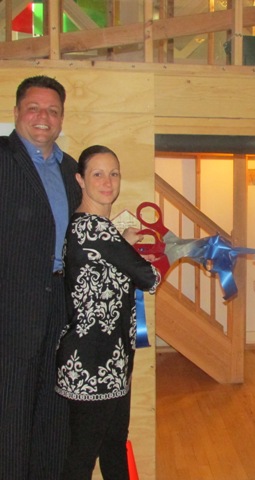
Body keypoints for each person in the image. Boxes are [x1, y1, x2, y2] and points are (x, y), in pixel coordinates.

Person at [55, 145, 164, 480]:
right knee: (82, 459)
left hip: (110, 361)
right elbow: (150, 277)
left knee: (114, 446)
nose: (107, 181)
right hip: (91, 363)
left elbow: (107, 264)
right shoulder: (94, 228)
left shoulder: (97, 229)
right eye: (97, 174)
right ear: (80, 180)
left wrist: (123, 243)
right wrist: (166, 252)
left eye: (113, 173)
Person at [0, 75, 82, 479]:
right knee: (10, 414)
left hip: (60, 307)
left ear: (62, 118)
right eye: (34, 107)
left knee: (54, 411)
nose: (43, 117)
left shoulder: (72, 170)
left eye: (52, 110)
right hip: (10, 308)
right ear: (17, 112)